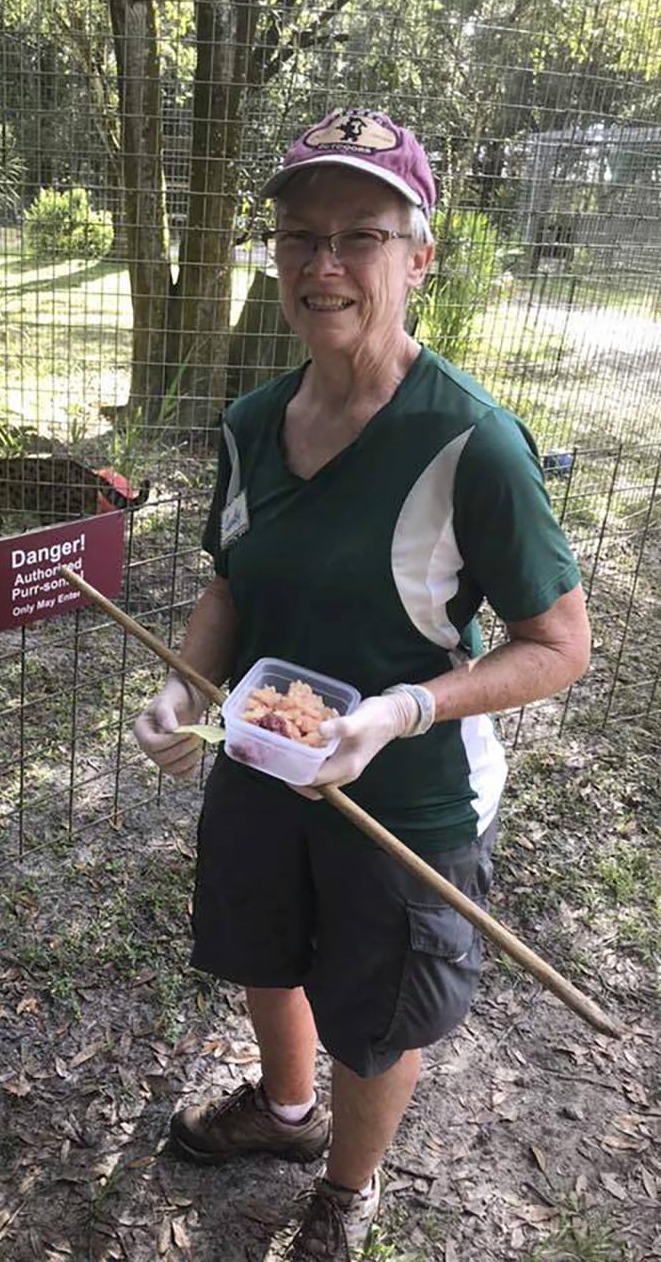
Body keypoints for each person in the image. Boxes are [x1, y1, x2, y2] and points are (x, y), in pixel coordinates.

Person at [134, 107, 590, 1259]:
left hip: (406, 792)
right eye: (298, 235)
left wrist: (400, 709)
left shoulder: (471, 442)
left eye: (362, 236)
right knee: (262, 945)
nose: (323, 264)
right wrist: (188, 687)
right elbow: (233, 585)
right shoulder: (247, 424)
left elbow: (559, 642)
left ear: (418, 255)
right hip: (264, 753)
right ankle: (287, 1117)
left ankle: (347, 1182)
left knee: (376, 1013)